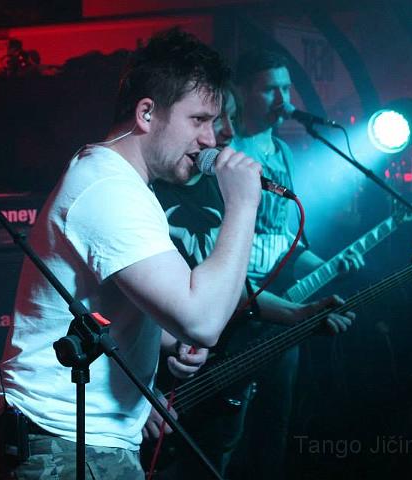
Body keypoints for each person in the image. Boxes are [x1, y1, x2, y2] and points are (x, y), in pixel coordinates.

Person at [0, 28, 264, 480]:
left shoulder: (120, 182)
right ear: (146, 113)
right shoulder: (109, 190)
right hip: (66, 441)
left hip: (79, 440)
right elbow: (204, 321)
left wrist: (169, 341)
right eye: (199, 120)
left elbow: (124, 307)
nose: (211, 140)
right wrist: (244, 205)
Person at [150, 50, 361, 479]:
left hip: (239, 326)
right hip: (175, 364)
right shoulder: (158, 191)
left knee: (250, 439)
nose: (222, 134)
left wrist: (297, 313)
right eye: (208, 121)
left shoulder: (228, 182)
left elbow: (235, 276)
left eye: (225, 121)